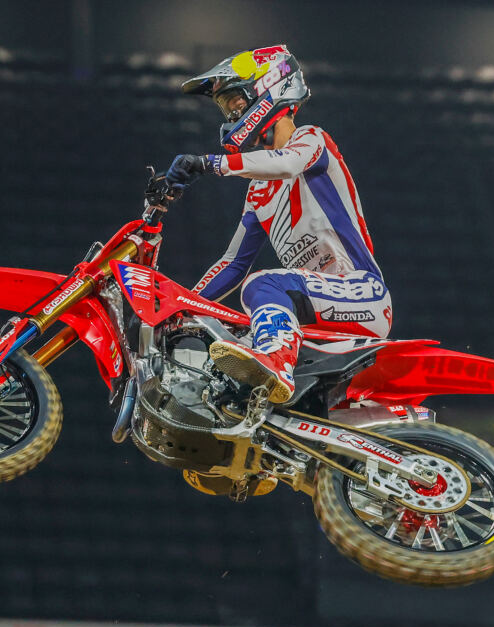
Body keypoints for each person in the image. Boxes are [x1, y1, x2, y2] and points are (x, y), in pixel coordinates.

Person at [166, 45, 392, 405]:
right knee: (226, 343)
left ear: (268, 88)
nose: (231, 114)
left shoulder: (312, 139)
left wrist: (209, 163)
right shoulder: (258, 189)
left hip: (361, 292)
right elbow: (232, 263)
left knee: (263, 284)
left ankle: (276, 362)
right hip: (312, 310)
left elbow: (287, 164)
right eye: (226, 108)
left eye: (235, 102)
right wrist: (180, 310)